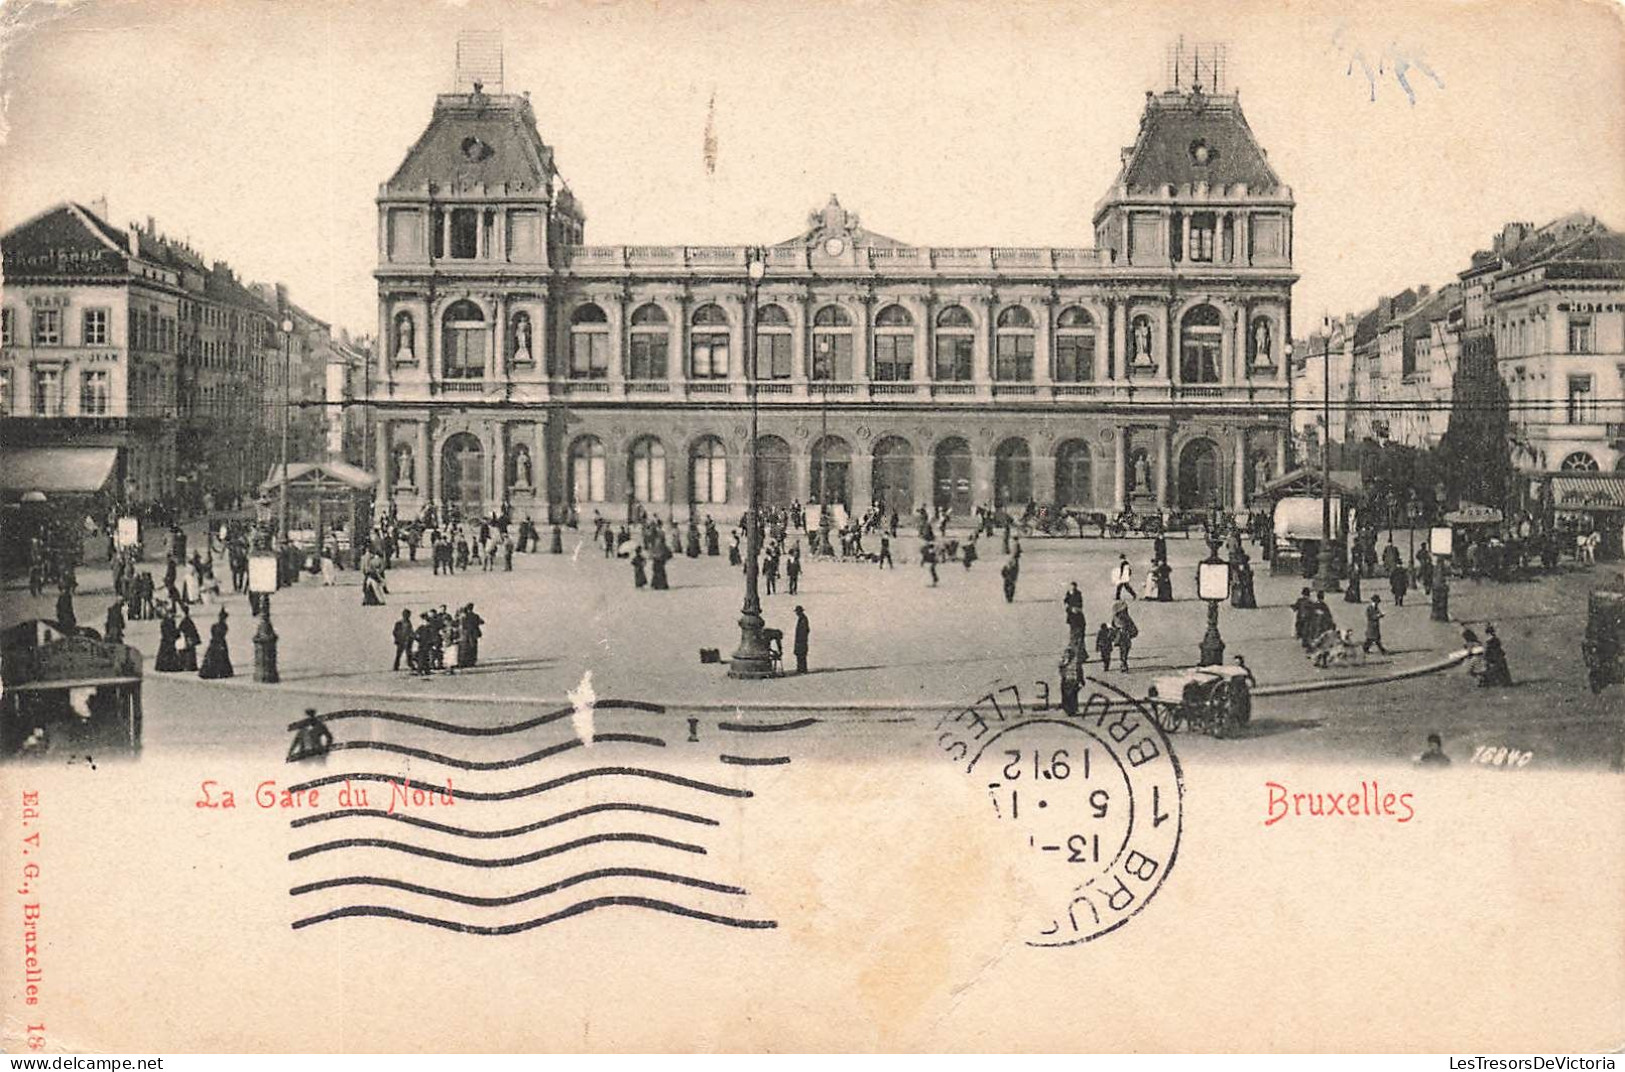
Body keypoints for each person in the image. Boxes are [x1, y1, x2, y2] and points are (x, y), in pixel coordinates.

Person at [198, 609, 234, 679]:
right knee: (222, 658)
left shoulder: (214, 625)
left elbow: (212, 633)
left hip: (214, 642)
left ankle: (210, 672)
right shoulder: (224, 626)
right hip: (221, 643)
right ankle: (222, 672)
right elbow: (223, 635)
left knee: (212, 657)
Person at [1112, 601, 1137, 671]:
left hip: (1124, 636)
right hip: (1123, 637)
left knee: (1124, 650)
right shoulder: (1124, 618)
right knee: (1124, 650)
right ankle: (1123, 663)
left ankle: (1123, 662)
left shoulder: (1117, 618)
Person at [175, 606, 202, 672]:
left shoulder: (185, 621)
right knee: (190, 653)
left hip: (187, 639)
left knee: (186, 652)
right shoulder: (189, 620)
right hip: (190, 638)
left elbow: (180, 630)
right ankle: (190, 666)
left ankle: (187, 666)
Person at [793, 605, 810, 674]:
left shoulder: (803, 619)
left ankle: (802, 669)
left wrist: (801, 639)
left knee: (801, 654)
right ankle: (800, 669)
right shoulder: (801, 618)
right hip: (800, 640)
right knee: (799, 654)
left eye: (797, 611)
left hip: (801, 640)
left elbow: (804, 630)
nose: (796, 613)